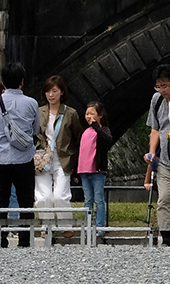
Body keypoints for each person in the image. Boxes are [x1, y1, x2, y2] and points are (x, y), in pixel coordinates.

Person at [0, 62, 38, 247]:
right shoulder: (32, 103)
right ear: (22, 82)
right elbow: (35, 129)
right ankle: (25, 241)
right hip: (24, 159)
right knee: (25, 201)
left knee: (0, 201)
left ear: (3, 82)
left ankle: (1, 240)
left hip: (0, 158)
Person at [143, 64, 170, 245]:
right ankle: (166, 238)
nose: (162, 90)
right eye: (158, 86)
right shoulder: (156, 100)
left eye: (165, 86)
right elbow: (155, 128)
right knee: (164, 200)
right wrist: (151, 153)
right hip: (165, 162)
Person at [34, 75, 79, 225]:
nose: (51, 95)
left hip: (63, 159)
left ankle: (66, 225)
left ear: (61, 92)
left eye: (54, 91)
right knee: (43, 197)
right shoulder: (38, 112)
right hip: (42, 159)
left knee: (61, 196)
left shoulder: (70, 113)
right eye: (48, 91)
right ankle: (47, 226)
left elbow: (78, 136)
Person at [77, 101, 113, 240]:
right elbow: (79, 152)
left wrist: (96, 126)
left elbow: (107, 139)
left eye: (92, 113)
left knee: (99, 200)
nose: (89, 116)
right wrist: (76, 172)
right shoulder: (84, 132)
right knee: (87, 200)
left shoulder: (103, 130)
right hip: (84, 171)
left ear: (100, 115)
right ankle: (88, 227)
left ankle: (100, 227)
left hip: (97, 171)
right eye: (87, 113)